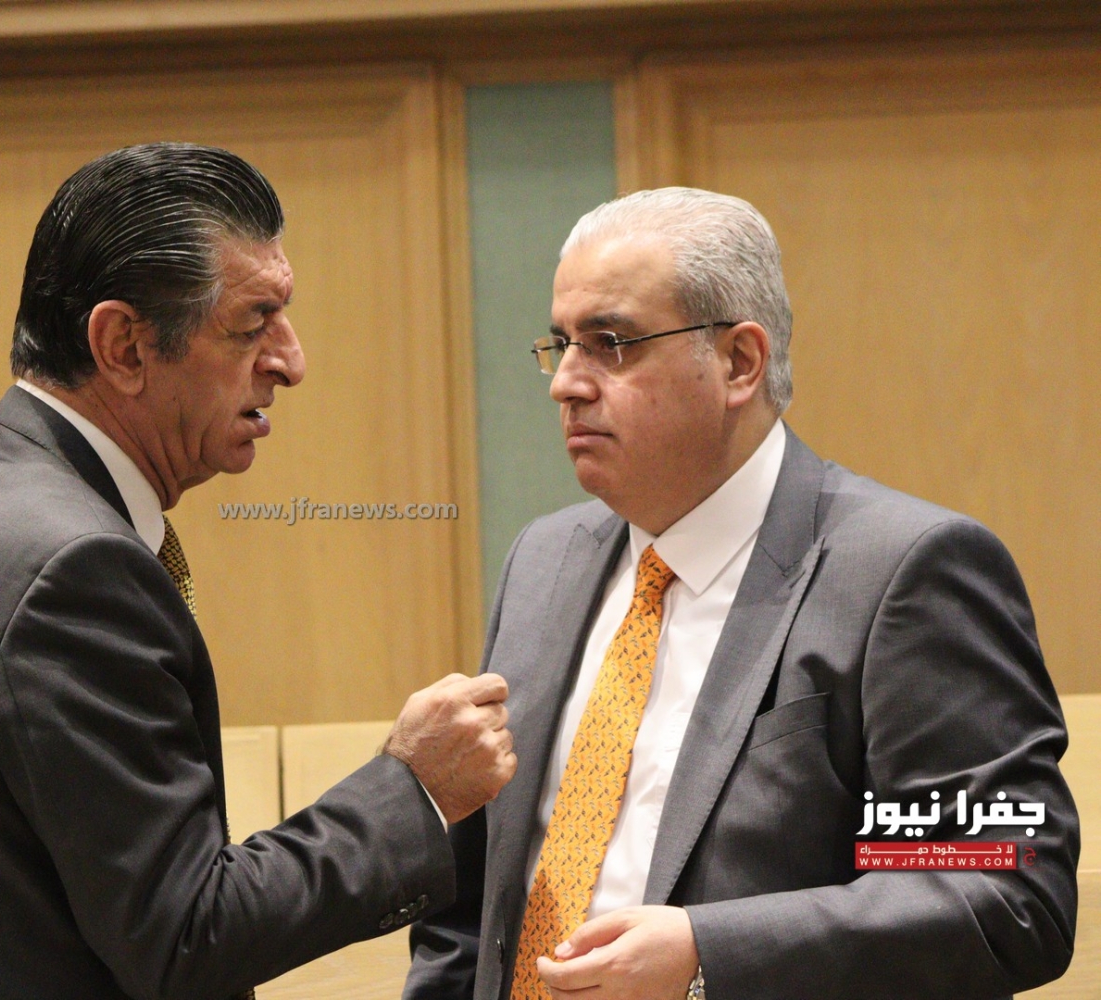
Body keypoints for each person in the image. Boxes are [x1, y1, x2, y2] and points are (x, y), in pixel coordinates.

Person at [0, 142, 516, 1000]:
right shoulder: (73, 571)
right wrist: (412, 791)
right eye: (251, 325)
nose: (291, 362)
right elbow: (185, 934)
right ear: (122, 345)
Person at [404, 187, 1078, 1000]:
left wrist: (708, 955)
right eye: (562, 344)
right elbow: (473, 904)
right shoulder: (542, 562)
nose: (566, 384)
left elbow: (1005, 893)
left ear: (739, 362)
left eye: (610, 343)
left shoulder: (904, 573)